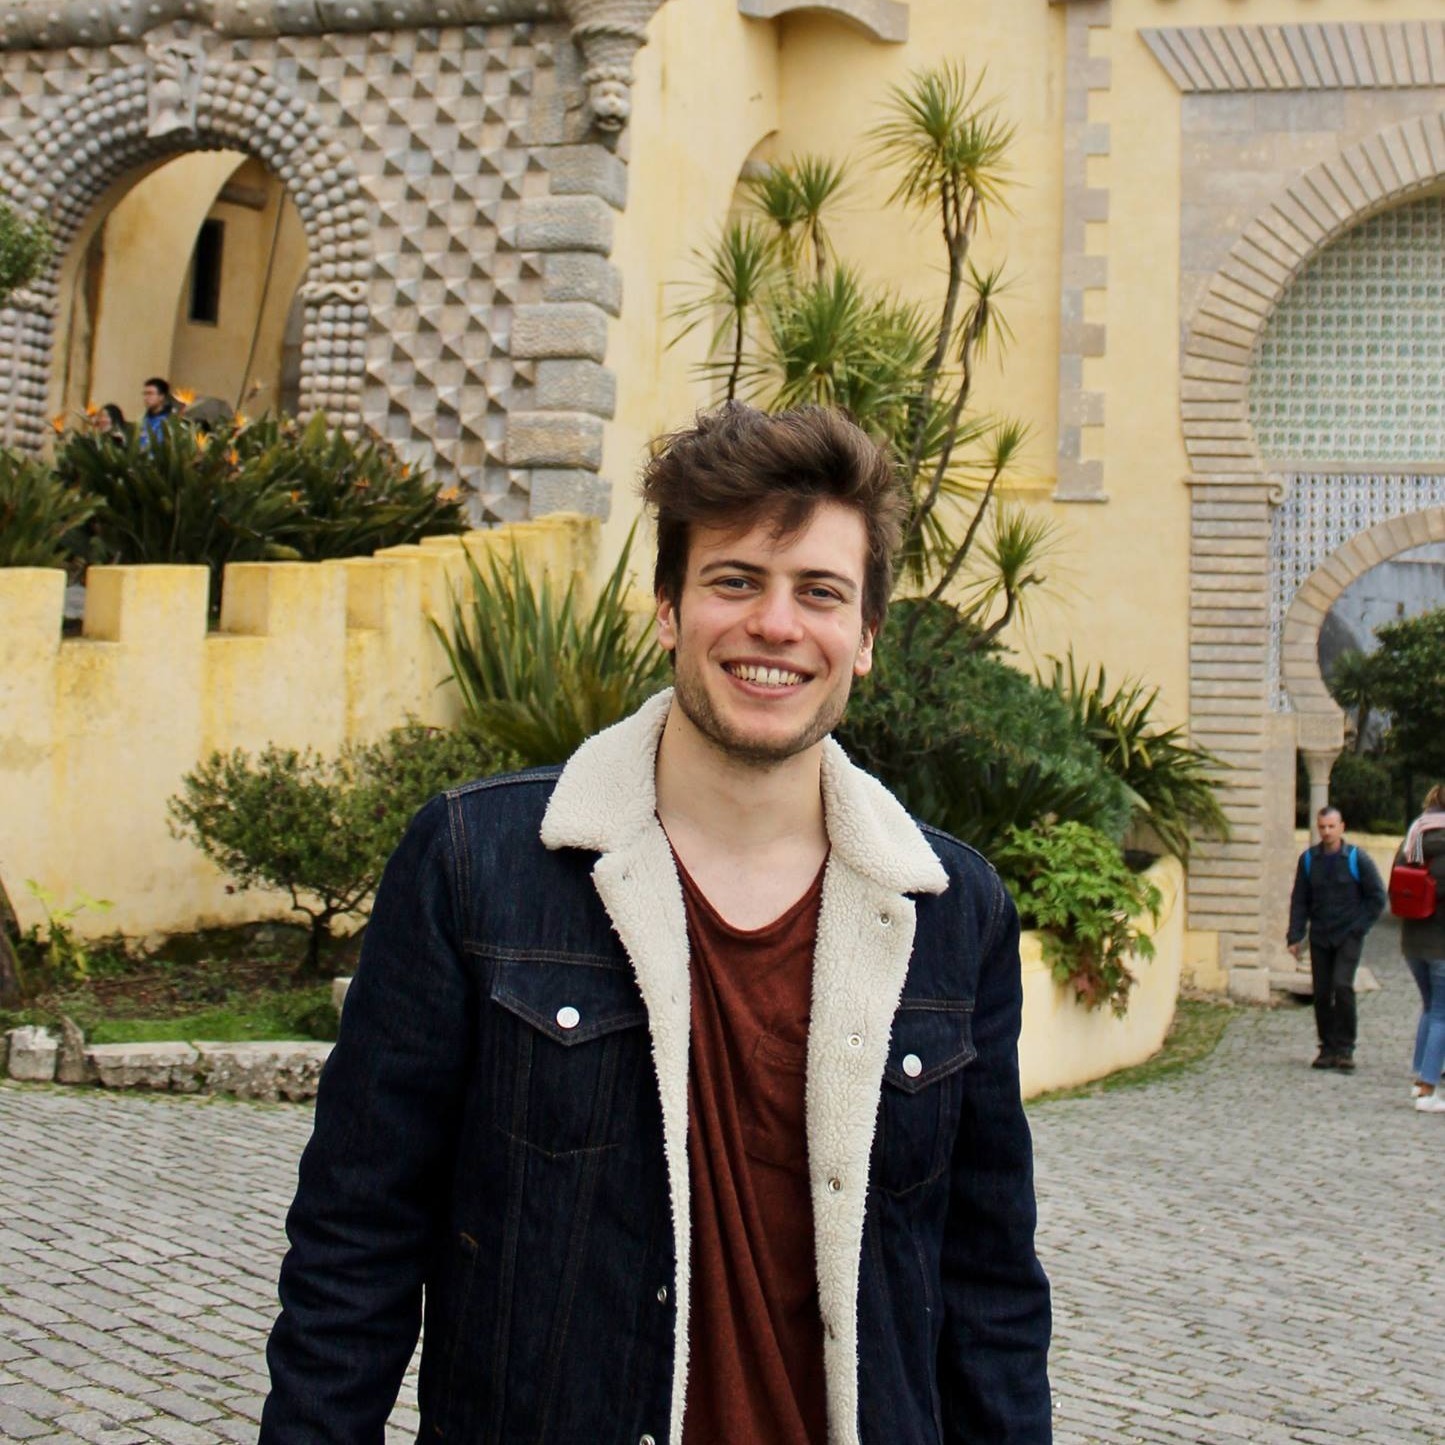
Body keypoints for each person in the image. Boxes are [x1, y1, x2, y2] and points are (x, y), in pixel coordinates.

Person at [259, 403, 1053, 1443]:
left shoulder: (951, 913)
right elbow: (354, 1241)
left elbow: (988, 1290)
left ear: (864, 637)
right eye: (735, 580)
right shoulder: (475, 865)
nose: (775, 624)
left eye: (818, 591)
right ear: (669, 608)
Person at [1287, 805, 1387, 1072]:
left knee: (1342, 986)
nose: (1327, 832)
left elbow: (1377, 896)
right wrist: (1295, 934)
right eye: (1322, 827)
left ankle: (1345, 1047)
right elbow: (1300, 899)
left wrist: (1360, 927)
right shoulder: (1309, 860)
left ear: (1342, 827)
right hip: (1321, 934)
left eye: (1332, 826)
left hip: (1348, 935)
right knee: (1321, 993)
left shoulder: (1356, 858)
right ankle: (1327, 1047)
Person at [1395, 783, 1445, 1113]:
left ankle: (1419, 1078)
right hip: (1441, 943)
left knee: (1431, 1008)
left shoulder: (1413, 837)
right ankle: (1428, 1088)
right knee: (1442, 1013)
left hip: (1412, 941)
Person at [139, 376, 175, 446]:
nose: (146, 398)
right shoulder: (143, 419)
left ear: (161, 396)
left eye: (150, 394)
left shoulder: (170, 421)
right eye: (145, 394)